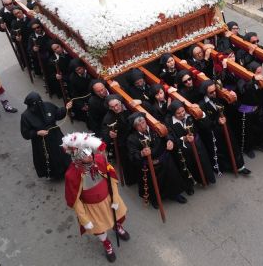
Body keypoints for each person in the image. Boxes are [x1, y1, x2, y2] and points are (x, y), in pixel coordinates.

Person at [62, 132, 130, 263]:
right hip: (92, 208)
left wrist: (115, 198)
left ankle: (117, 227)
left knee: (116, 216)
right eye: (86, 156)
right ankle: (106, 244)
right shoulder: (71, 175)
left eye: (90, 154)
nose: (90, 157)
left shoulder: (99, 160)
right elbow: (75, 201)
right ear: (78, 158)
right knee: (99, 228)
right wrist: (84, 219)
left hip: (109, 200)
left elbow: (112, 180)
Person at [126, 112, 189, 207]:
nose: (142, 126)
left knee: (172, 177)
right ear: (135, 127)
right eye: (138, 125)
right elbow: (132, 155)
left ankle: (175, 194)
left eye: (143, 122)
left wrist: (169, 140)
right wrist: (141, 153)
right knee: (153, 184)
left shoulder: (155, 128)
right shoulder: (132, 139)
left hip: (164, 159)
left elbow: (167, 133)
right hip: (149, 165)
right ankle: (155, 199)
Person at [198, 80, 250, 175]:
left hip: (226, 128)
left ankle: (239, 166)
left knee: (233, 146)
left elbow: (232, 108)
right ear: (205, 92)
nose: (214, 93)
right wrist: (216, 122)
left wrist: (234, 98)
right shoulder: (201, 105)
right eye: (211, 92)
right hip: (215, 133)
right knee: (222, 151)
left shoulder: (219, 97)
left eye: (215, 91)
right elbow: (204, 124)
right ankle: (227, 167)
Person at [20, 91, 72, 179]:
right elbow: (25, 134)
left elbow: (57, 114)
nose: (39, 105)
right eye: (36, 104)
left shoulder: (47, 105)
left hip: (56, 135)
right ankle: (55, 174)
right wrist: (37, 133)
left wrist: (65, 109)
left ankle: (68, 169)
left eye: (40, 101)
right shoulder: (26, 116)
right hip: (41, 142)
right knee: (50, 158)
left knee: (62, 153)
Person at [166, 100, 216, 188]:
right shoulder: (169, 122)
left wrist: (200, 113)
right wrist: (184, 139)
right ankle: (199, 180)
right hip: (186, 149)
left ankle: (208, 178)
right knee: (193, 165)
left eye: (183, 111)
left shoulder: (191, 115)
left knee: (204, 162)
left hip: (198, 144)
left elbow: (204, 125)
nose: (182, 114)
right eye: (178, 113)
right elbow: (172, 137)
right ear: (174, 114)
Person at [235, 61, 263, 158]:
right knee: (248, 131)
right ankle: (248, 148)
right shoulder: (242, 80)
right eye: (258, 73)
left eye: (261, 72)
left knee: (262, 126)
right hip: (246, 112)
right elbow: (243, 91)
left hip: (258, 108)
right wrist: (253, 80)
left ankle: (260, 143)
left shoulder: (262, 80)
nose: (260, 75)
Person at [100, 94, 136, 185]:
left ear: (120, 103)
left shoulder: (127, 107)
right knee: (127, 162)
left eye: (117, 105)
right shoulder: (108, 118)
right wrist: (109, 134)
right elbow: (105, 132)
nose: (115, 108)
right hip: (122, 142)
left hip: (133, 138)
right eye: (112, 107)